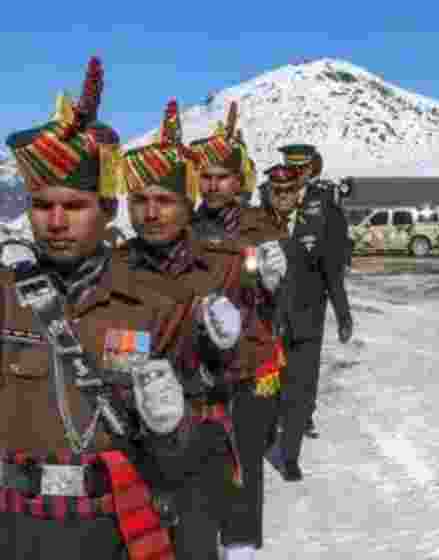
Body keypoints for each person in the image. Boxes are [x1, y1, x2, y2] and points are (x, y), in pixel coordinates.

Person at [0, 56, 200, 560]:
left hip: (109, 528)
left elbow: (182, 460)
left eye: (75, 206)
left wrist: (171, 427)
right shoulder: (5, 296)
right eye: (44, 206)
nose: (57, 221)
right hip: (11, 526)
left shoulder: (157, 305)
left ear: (108, 210)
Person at [117, 98, 265, 560]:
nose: (151, 213)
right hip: (131, 443)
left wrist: (226, 343)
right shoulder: (112, 270)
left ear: (188, 204)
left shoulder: (220, 268)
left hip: (200, 438)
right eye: (139, 201)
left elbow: (254, 357)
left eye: (165, 200)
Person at [188, 102, 287, 559]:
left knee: (246, 460)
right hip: (198, 366)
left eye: (222, 176)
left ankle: (242, 547)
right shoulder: (184, 228)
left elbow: (288, 298)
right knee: (199, 464)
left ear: (239, 180)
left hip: (251, 363)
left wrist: (275, 284)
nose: (213, 185)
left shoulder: (260, 226)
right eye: (205, 177)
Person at [266, 158, 353, 482]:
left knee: (300, 390)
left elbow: (332, 270)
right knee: (270, 387)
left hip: (307, 316)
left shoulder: (321, 214)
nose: (283, 196)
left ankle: (289, 455)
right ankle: (267, 434)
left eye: (289, 190)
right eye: (278, 191)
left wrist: (343, 314)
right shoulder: (259, 216)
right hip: (268, 319)